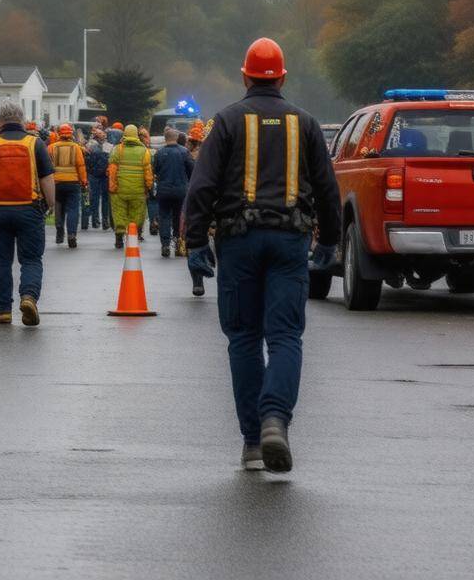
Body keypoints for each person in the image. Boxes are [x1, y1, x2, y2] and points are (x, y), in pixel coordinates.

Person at [184, 37, 341, 474]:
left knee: (244, 338)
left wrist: (195, 242)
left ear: (245, 75)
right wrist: (328, 241)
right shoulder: (305, 124)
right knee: (286, 336)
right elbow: (328, 190)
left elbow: (202, 188)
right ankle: (276, 419)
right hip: (291, 242)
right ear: (283, 77)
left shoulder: (227, 122)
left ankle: (253, 441)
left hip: (238, 241)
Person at [0, 100, 55, 326]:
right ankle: (29, 297)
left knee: (1, 260)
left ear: (0, 120)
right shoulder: (35, 144)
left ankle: (3, 310)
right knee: (31, 259)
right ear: (21, 119)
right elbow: (47, 178)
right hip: (29, 209)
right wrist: (50, 204)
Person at [107, 124, 153, 249]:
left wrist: (112, 187)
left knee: (119, 213)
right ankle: (133, 236)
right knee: (137, 213)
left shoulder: (117, 149)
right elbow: (148, 172)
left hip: (120, 190)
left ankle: (119, 237)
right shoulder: (144, 151)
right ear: (136, 135)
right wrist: (149, 186)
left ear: (124, 135)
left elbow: (112, 171)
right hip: (138, 191)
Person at [152, 127, 194, 258]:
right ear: (176, 138)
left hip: (164, 190)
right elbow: (192, 170)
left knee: (164, 216)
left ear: (165, 139)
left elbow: (155, 170)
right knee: (178, 216)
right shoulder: (185, 152)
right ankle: (177, 242)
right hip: (181, 190)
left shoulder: (159, 153)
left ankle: (165, 244)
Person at [47, 122, 88, 247]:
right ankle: (71, 235)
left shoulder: (51, 148)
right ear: (71, 134)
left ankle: (60, 232)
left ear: (59, 133)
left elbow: (47, 167)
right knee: (73, 209)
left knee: (59, 207)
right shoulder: (76, 148)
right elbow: (80, 166)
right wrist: (84, 181)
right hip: (73, 183)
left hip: (56, 183)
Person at [84, 137, 110, 230]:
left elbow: (87, 162)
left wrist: (90, 171)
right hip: (105, 177)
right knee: (105, 200)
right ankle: (105, 221)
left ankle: (95, 221)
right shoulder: (108, 148)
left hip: (93, 176)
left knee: (94, 199)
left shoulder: (90, 148)